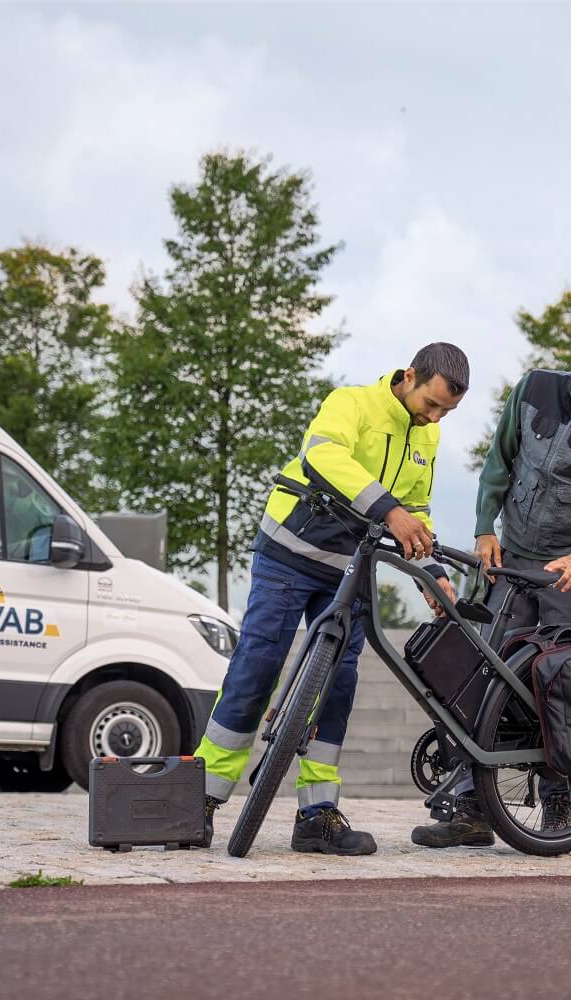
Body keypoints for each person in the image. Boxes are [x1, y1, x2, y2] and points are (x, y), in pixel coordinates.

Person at [196, 344, 469, 855]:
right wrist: (388, 510)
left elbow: (415, 508)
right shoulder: (352, 403)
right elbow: (322, 456)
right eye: (431, 404)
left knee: (339, 683)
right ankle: (201, 799)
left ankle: (317, 815)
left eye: (446, 412)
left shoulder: (427, 436)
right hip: (290, 552)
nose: (435, 418)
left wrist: (431, 573)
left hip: (350, 567)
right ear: (410, 376)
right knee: (259, 663)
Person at [411, 312, 571, 849]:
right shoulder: (534, 389)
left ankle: (560, 806)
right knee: (481, 679)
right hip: (510, 560)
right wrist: (484, 528)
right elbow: (499, 461)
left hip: (568, 578)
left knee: (559, 691)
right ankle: (471, 810)